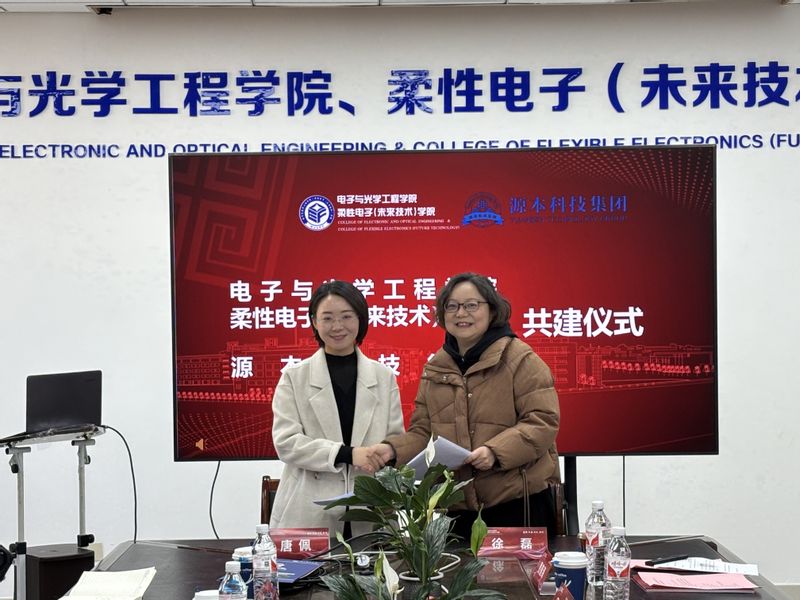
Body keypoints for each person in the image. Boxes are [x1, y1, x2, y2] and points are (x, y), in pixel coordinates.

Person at [373, 272, 560, 539]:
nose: (461, 313)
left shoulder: (520, 359)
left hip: (517, 502)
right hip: (457, 506)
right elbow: (424, 433)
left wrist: (495, 451)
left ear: (492, 310)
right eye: (452, 306)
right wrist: (392, 450)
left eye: (471, 305)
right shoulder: (435, 368)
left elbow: (542, 421)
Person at [270, 280, 405, 536]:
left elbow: (396, 438)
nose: (337, 326)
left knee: (374, 560)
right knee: (314, 563)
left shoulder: (384, 376)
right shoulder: (294, 377)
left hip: (371, 507)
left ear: (361, 319)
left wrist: (388, 452)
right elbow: (286, 443)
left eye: (346, 316)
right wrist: (347, 454)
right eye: (327, 318)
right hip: (309, 509)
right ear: (314, 321)